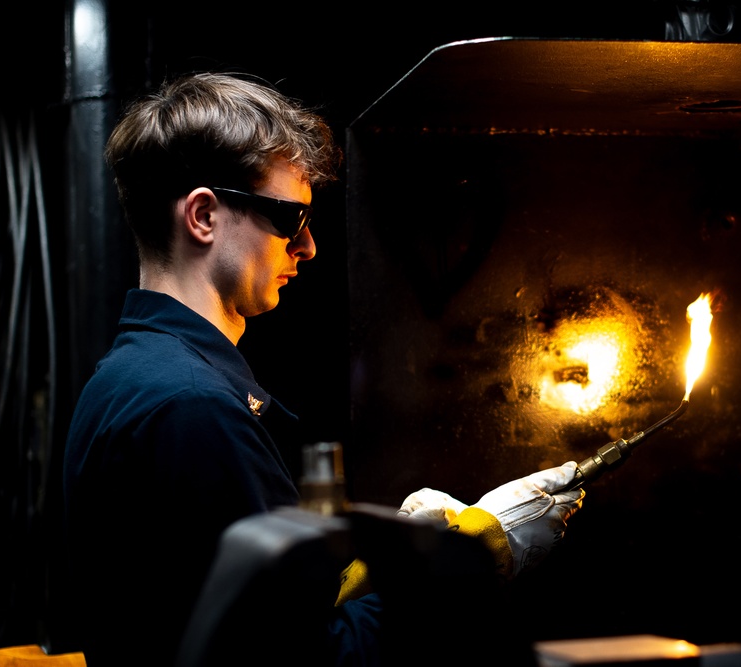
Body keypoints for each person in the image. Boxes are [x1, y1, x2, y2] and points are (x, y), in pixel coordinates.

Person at [61, 71, 585, 667]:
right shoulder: (192, 406)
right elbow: (305, 659)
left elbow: (219, 620)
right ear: (203, 216)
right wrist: (471, 559)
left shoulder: (130, 378)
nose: (307, 247)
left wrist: (399, 555)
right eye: (290, 219)